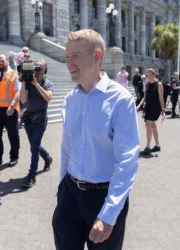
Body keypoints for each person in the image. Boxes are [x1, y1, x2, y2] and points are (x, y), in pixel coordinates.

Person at [52, 29, 140, 250]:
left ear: (97, 56)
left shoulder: (121, 100)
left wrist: (109, 214)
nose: (69, 63)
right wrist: (62, 189)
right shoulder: (70, 99)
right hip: (70, 195)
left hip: (103, 197)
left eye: (75, 56)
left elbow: (127, 161)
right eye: (67, 57)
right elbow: (67, 147)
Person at [20, 59, 53, 188]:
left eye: (40, 67)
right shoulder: (28, 82)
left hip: (40, 119)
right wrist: (24, 82)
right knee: (35, 145)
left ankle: (31, 175)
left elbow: (48, 98)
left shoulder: (48, 83)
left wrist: (36, 84)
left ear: (45, 70)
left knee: (34, 147)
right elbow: (23, 99)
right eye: (36, 67)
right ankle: (47, 157)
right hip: (28, 119)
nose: (38, 69)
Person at [137, 68, 165, 155]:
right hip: (148, 107)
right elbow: (144, 98)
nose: (148, 76)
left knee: (148, 124)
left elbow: (161, 97)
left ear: (154, 75)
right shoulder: (147, 84)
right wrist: (138, 106)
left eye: (149, 75)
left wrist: (163, 110)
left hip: (156, 107)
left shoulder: (159, 84)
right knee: (153, 125)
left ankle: (147, 147)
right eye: (147, 75)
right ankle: (157, 145)